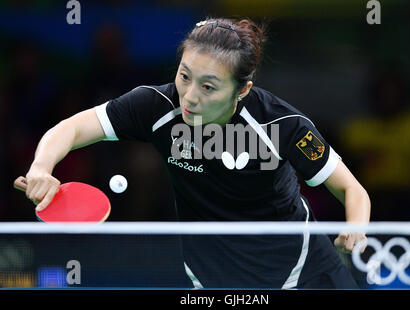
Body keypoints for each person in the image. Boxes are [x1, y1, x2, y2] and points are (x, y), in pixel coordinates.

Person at [22, 17, 371, 289]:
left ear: (243, 89)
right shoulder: (157, 107)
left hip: (302, 266)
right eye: (184, 76)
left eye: (208, 86)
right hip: (210, 273)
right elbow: (72, 128)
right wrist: (42, 167)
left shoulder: (282, 125)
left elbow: (352, 189)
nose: (189, 96)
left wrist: (356, 230)